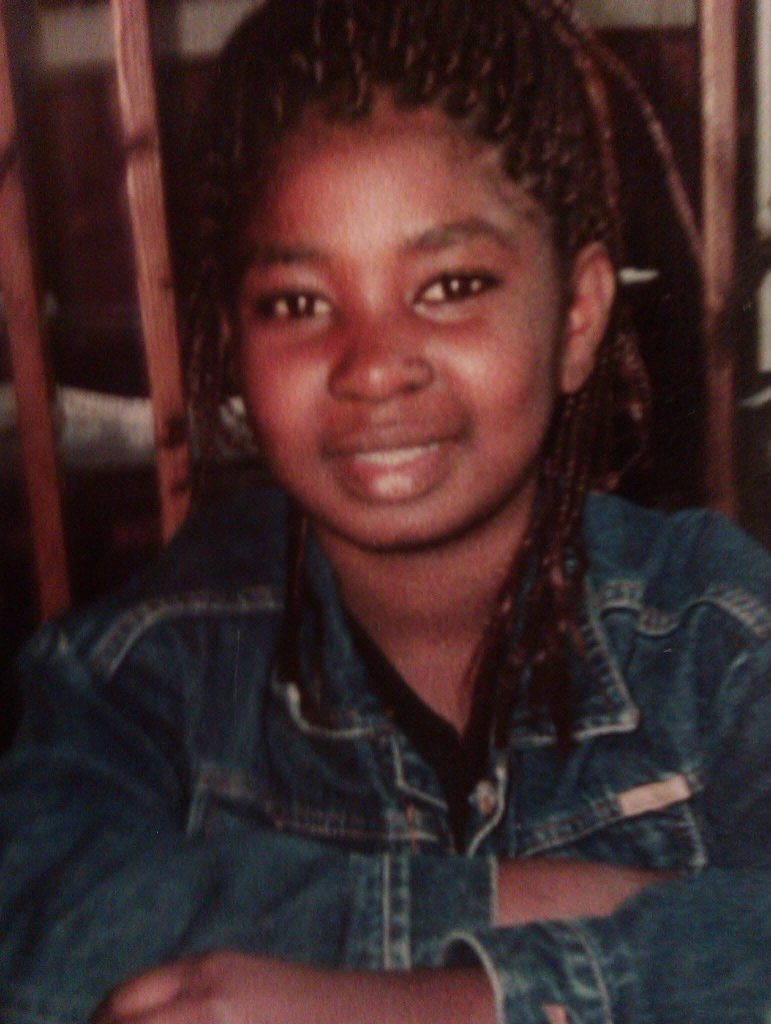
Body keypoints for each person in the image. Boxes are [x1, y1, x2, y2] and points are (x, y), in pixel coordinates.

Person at [1, 1, 769, 1022]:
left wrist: (437, 1002)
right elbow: (42, 918)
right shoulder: (140, 667)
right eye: (299, 304)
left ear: (578, 317)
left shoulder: (718, 630)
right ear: (234, 341)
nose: (370, 366)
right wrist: (514, 899)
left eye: (450, 285)